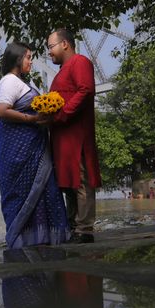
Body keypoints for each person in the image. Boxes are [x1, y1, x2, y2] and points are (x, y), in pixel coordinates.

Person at [0, 42, 70, 248]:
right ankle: (24, 238)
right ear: (18, 59)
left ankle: (39, 237)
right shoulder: (10, 81)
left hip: (32, 148)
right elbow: (1, 110)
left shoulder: (19, 82)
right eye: (28, 57)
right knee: (22, 192)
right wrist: (31, 120)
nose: (31, 61)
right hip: (19, 149)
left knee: (42, 189)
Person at [46, 28, 102, 244]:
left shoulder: (80, 62)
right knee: (68, 182)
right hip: (62, 138)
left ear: (65, 44)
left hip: (76, 134)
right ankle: (73, 225)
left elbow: (86, 89)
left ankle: (85, 229)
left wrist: (63, 115)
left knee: (80, 180)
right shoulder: (62, 71)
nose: (49, 52)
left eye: (51, 47)